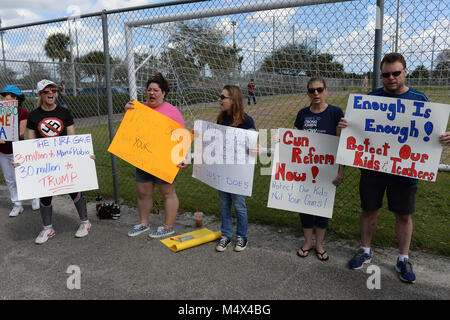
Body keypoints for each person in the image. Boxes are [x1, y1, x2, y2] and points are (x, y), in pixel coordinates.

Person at [345, 53, 450, 283]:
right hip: (373, 166)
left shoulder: (419, 98)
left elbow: (429, 133)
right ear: (381, 75)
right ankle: (365, 251)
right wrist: (347, 125)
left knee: (403, 214)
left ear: (405, 72)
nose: (391, 78)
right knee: (368, 210)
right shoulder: (372, 98)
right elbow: (357, 128)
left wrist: (442, 138)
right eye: (386, 74)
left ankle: (403, 258)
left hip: (405, 169)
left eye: (395, 73)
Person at [26, 79, 94, 244]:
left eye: (53, 91)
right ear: (40, 95)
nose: (50, 93)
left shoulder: (64, 113)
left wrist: (84, 155)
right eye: (46, 91)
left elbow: (73, 139)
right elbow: (29, 143)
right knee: (45, 193)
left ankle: (85, 222)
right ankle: (47, 228)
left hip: (65, 160)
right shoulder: (34, 116)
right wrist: (24, 160)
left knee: (74, 190)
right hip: (45, 162)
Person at [125, 73, 188, 239]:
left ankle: (168, 226)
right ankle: (143, 223)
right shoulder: (138, 109)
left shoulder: (172, 111)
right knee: (143, 193)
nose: (151, 93)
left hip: (164, 160)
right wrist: (128, 113)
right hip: (143, 158)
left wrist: (183, 156)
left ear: (163, 92)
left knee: (168, 193)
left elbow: (182, 136)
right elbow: (130, 132)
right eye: (149, 90)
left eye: (156, 90)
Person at [293, 77, 345, 261]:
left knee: (322, 207)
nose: (316, 93)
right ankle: (308, 242)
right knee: (305, 206)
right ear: (307, 92)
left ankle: (320, 244)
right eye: (312, 90)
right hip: (306, 168)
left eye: (319, 89)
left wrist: (340, 171)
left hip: (327, 169)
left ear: (326, 91)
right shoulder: (302, 114)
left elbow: (341, 144)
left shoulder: (335, 112)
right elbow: (295, 142)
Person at [215, 85, 256, 252]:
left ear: (233, 100)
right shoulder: (220, 119)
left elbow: (254, 146)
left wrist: (253, 147)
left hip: (238, 173)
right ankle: (226, 234)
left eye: (223, 97)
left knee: (239, 205)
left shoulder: (247, 121)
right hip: (222, 171)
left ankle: (242, 236)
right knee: (224, 204)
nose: (220, 100)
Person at [0, 85, 40, 216]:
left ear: (15, 98)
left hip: (17, 149)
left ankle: (34, 197)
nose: (3, 98)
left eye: (6, 95)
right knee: (9, 179)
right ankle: (17, 204)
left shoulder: (22, 112)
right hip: (2, 151)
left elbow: (21, 133)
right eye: (3, 95)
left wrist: (5, 135)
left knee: (23, 176)